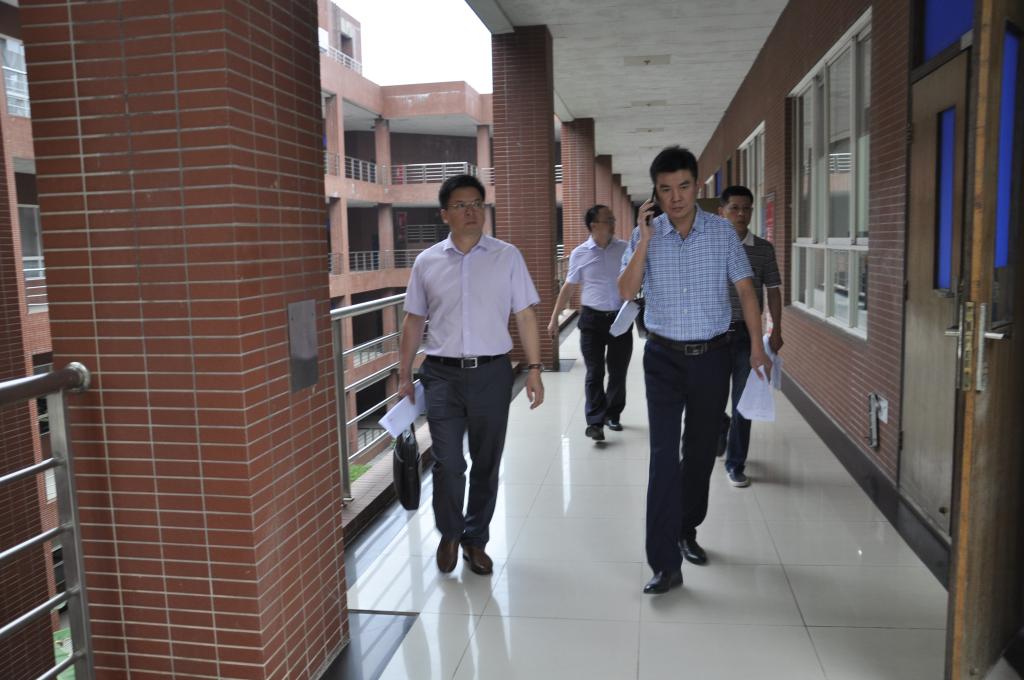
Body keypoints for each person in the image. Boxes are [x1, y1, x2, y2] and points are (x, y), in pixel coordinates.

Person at [618, 146, 770, 594]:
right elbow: (625, 291)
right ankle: (664, 562)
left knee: (701, 453)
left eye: (683, 186)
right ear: (655, 193)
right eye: (665, 189)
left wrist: (757, 347)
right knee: (663, 456)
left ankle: (687, 528)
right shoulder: (646, 234)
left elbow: (746, 291)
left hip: (712, 357)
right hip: (662, 358)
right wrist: (644, 241)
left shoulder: (722, 233)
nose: (676, 197)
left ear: (697, 187)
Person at [397, 174, 545, 577]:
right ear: (445, 214)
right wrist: (404, 374)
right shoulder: (427, 262)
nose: (471, 212)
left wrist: (534, 369)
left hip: (492, 374)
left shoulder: (507, 256)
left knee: (486, 461)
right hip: (441, 375)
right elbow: (413, 320)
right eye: (461, 205)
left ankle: (475, 539)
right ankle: (449, 532)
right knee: (447, 462)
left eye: (477, 204)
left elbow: (525, 314)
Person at [547, 205, 633, 441]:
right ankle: (595, 422)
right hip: (592, 321)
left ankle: (613, 414)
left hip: (620, 318)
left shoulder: (625, 249)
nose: (613, 223)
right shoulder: (579, 253)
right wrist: (554, 318)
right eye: (608, 220)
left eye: (613, 219)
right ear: (593, 226)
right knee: (594, 372)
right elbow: (568, 287)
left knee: (617, 372)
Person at [718, 185, 783, 488]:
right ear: (722, 211)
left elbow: (773, 291)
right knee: (711, 398)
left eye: (746, 208)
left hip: (748, 334)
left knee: (743, 401)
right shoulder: (709, 246)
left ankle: (735, 463)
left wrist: (776, 329)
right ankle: (721, 429)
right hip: (714, 334)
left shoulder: (763, 249)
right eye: (735, 208)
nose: (741, 214)